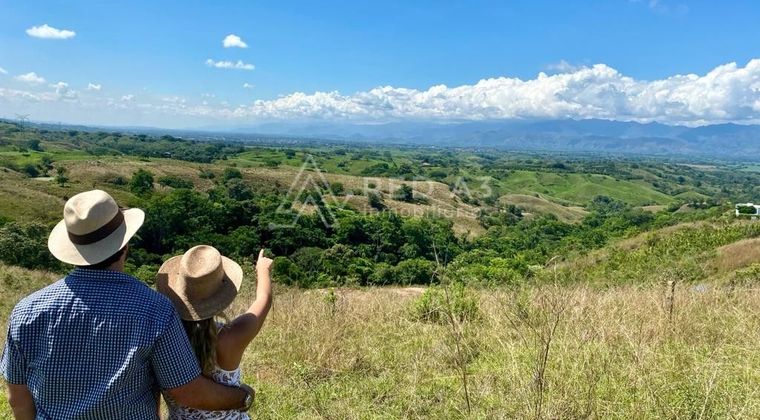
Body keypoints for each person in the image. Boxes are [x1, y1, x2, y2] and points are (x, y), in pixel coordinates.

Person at [0, 190, 254, 419]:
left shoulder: (26, 311)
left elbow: (18, 399)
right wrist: (243, 397)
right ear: (125, 245)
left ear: (74, 248)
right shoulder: (155, 309)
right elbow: (188, 392)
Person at [155, 245, 273, 420]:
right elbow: (264, 299)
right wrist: (263, 270)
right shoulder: (231, 337)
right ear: (219, 297)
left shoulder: (162, 340)